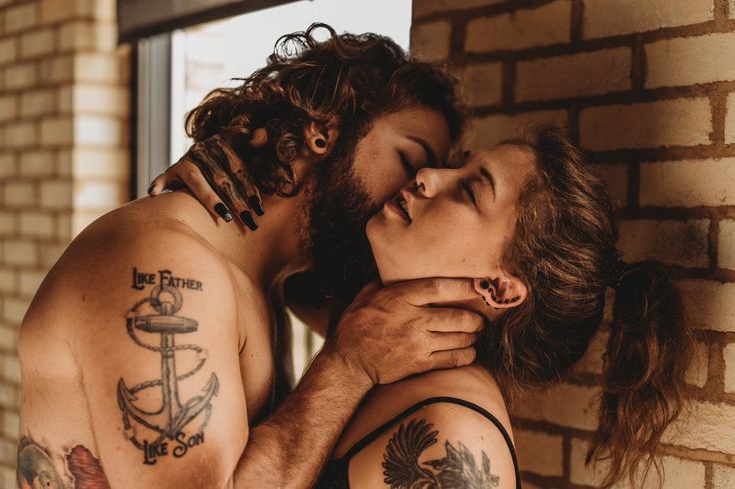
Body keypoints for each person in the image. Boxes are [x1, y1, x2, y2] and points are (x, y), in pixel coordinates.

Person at [16, 25, 485, 489]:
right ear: (323, 133)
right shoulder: (168, 264)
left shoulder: (279, 282)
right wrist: (347, 366)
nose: (415, 190)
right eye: (409, 160)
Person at [160, 126, 694, 489]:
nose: (428, 177)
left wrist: (346, 365)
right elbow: (279, 272)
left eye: (468, 191)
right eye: (455, 166)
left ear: (498, 289)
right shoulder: (373, 328)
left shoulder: (455, 434)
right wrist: (212, 188)